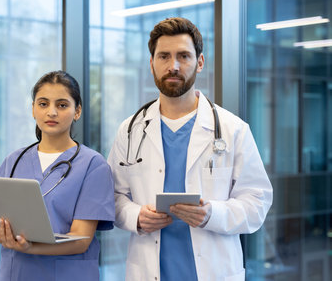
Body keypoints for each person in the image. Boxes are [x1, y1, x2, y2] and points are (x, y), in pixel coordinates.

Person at [108, 17, 273, 280]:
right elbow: (113, 197)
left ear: (200, 62)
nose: (173, 66)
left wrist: (212, 214)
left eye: (183, 56)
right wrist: (136, 216)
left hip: (215, 270)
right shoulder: (130, 131)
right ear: (151, 64)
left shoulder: (233, 129)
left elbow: (257, 203)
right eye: (164, 56)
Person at [0, 70, 115, 281]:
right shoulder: (14, 160)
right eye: (43, 104)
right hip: (16, 273)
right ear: (33, 110)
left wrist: (30, 247)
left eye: (62, 105)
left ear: (77, 111)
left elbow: (81, 240)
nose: (52, 112)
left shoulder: (93, 165)